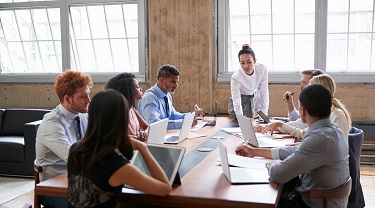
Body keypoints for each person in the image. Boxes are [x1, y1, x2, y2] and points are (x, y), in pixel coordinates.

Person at [236, 84, 350, 208]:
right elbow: (296, 150)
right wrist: (255, 152)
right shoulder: (333, 131)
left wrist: (271, 165)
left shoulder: (319, 139)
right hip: (322, 200)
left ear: (303, 110)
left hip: (313, 203)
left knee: (256, 200)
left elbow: (278, 174)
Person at [68, 89, 171, 208]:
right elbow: (165, 188)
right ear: (121, 120)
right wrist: (142, 148)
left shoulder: (75, 150)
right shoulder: (116, 166)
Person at [36, 70, 93, 208]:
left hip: (81, 180)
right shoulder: (52, 123)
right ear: (68, 99)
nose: (89, 101)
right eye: (83, 97)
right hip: (54, 189)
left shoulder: (83, 115)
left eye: (88, 95)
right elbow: (75, 158)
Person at [258, 74, 351, 142]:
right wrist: (279, 125)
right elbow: (303, 133)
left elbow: (333, 151)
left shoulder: (337, 115)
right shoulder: (320, 112)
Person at [138, 64, 204, 130]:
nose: (176, 86)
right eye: (173, 82)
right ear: (161, 80)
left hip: (165, 135)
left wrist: (192, 115)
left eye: (177, 82)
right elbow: (155, 124)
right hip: (150, 139)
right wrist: (183, 123)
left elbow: (172, 115)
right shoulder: (149, 98)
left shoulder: (167, 95)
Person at [228, 44, 269, 118]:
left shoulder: (262, 69)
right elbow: (236, 101)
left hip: (254, 96)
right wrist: (240, 118)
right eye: (242, 63)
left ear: (255, 61)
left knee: (256, 123)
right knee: (238, 125)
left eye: (249, 62)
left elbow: (264, 93)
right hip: (240, 99)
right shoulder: (236, 77)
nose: (246, 66)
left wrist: (264, 114)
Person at [105, 72, 149, 142]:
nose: (140, 89)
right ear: (128, 91)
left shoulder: (131, 108)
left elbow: (146, 127)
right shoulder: (119, 112)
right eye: (137, 87)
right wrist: (141, 136)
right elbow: (133, 138)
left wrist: (143, 134)